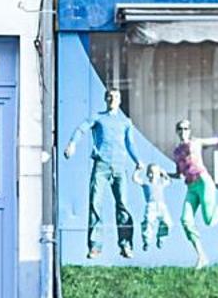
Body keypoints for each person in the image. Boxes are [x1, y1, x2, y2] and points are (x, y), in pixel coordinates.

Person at [62, 87, 163, 258]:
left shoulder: (125, 122)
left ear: (120, 100)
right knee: (95, 203)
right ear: (105, 99)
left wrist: (138, 160)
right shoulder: (98, 117)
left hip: (119, 166)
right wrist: (72, 144)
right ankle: (95, 246)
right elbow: (81, 129)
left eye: (115, 97)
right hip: (101, 165)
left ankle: (126, 245)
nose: (112, 99)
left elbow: (130, 144)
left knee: (122, 204)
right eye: (109, 96)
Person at [165, 118, 218, 269]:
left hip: (203, 183)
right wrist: (165, 174)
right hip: (191, 187)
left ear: (190, 130)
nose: (183, 131)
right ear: (177, 131)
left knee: (210, 221)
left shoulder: (196, 142)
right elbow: (179, 174)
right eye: (180, 129)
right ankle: (202, 256)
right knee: (185, 220)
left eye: (186, 128)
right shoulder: (176, 152)